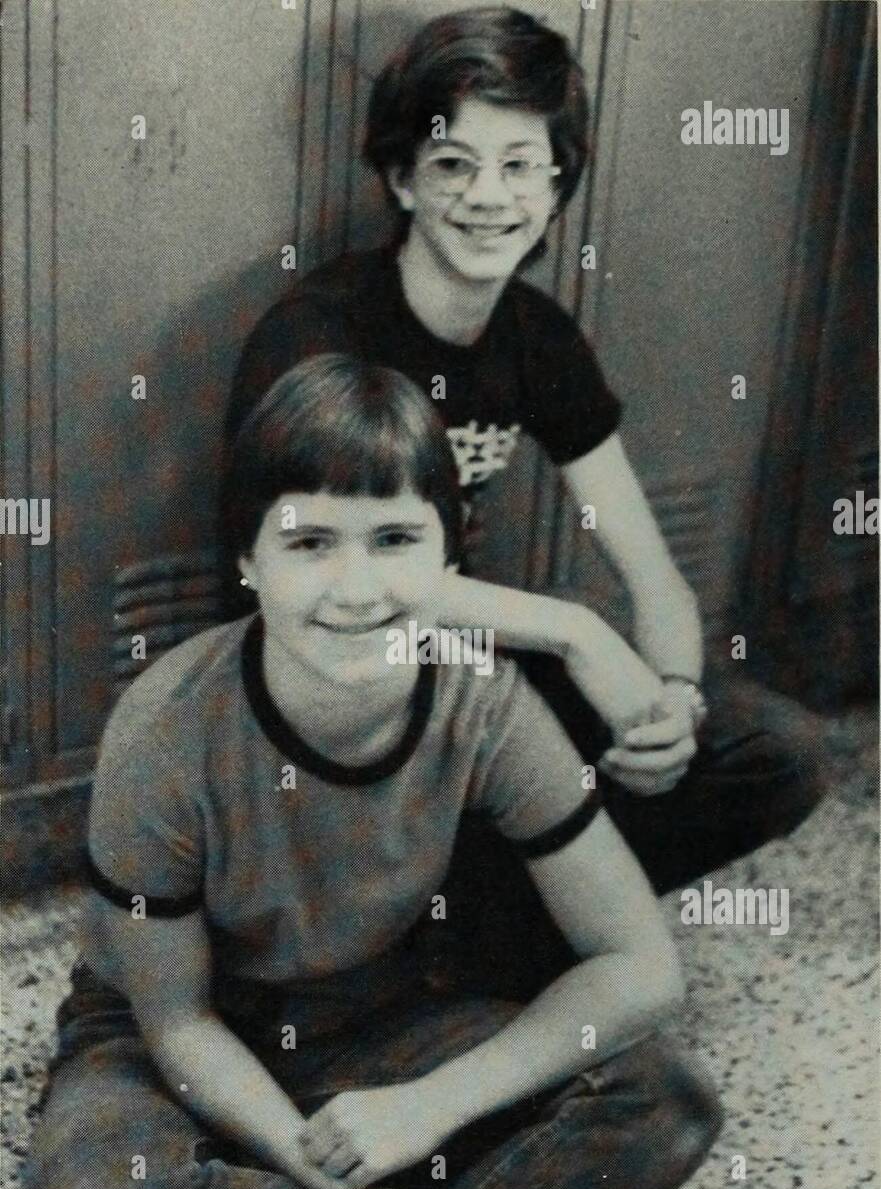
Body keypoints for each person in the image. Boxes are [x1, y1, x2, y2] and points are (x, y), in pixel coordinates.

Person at [22, 356, 722, 1189]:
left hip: (377, 1013)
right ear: (246, 560)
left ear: (448, 553)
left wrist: (428, 1108)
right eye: (309, 543)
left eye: (394, 537)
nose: (356, 590)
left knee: (661, 1099)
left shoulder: (487, 706)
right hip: (174, 1037)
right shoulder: (166, 731)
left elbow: (639, 967)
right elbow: (177, 1020)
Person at [222, 7, 828, 991]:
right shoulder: (316, 336)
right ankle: (443, 952)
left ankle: (489, 949)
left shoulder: (535, 341)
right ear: (400, 180)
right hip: (336, 673)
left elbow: (655, 579)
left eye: (520, 165)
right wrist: (573, 634)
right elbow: (345, 578)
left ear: (555, 186)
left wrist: (667, 703)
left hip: (459, 663)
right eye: (453, 164)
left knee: (771, 749)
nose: (487, 197)